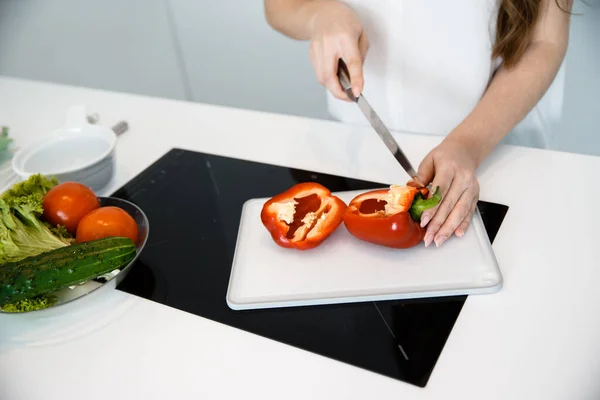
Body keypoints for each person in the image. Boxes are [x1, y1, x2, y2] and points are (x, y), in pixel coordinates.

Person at [264, 0, 572, 247]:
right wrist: (321, 14)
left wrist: (468, 143)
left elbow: (544, 40)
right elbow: (277, 6)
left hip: (492, 143)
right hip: (352, 143)